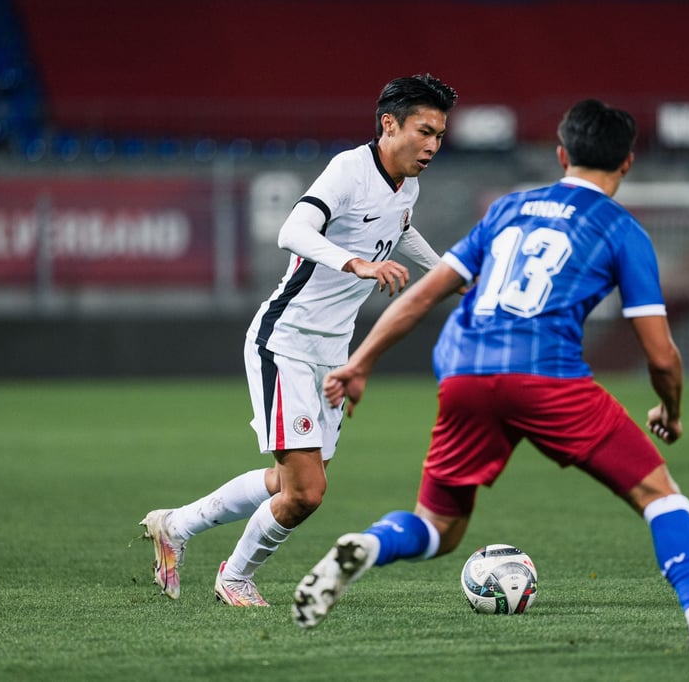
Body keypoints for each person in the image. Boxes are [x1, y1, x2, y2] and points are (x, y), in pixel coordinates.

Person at [292, 99, 689, 655]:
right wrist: (671, 409)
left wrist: (361, 362)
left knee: (439, 528)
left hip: (465, 373)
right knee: (661, 497)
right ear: (627, 163)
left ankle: (370, 546)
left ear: (562, 153)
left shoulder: (509, 208)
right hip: (547, 376)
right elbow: (662, 357)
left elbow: (425, 294)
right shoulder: (622, 230)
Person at [139, 73, 458, 606]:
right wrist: (353, 262)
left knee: (289, 484)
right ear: (389, 124)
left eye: (440, 136)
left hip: (333, 356)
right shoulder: (349, 169)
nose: (432, 145)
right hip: (286, 341)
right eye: (424, 131)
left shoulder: (408, 184)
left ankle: (175, 525)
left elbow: (399, 228)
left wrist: (448, 273)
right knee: (306, 491)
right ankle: (235, 578)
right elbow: (293, 230)